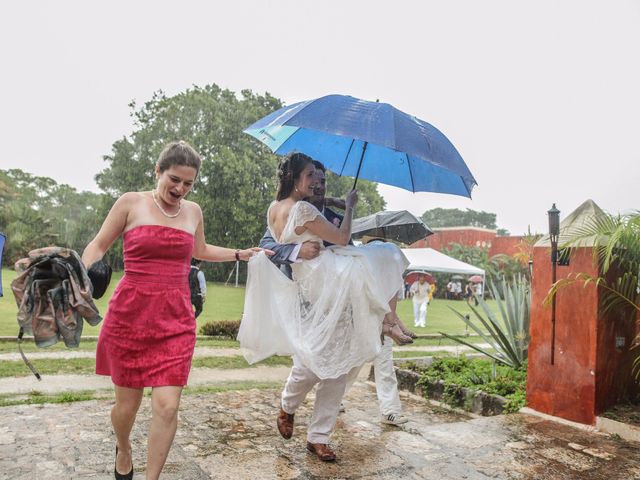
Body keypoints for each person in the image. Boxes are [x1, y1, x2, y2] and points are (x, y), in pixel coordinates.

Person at [82, 141, 268, 480]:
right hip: (130, 315)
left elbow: (201, 250)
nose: (180, 189)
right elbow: (98, 244)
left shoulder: (193, 212)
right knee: (127, 408)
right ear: (158, 171)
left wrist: (241, 253)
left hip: (176, 317)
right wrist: (86, 272)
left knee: (167, 406)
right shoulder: (130, 203)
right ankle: (123, 448)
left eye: (188, 184)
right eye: (174, 180)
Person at [239, 152, 410, 461]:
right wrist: (295, 249)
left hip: (339, 295)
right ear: (297, 179)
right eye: (312, 178)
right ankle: (288, 405)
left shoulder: (299, 208)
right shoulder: (299, 208)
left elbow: (344, 244)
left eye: (320, 181)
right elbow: (274, 245)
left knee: (339, 367)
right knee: (309, 364)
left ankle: (319, 436)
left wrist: (338, 204)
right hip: (311, 295)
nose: (317, 184)